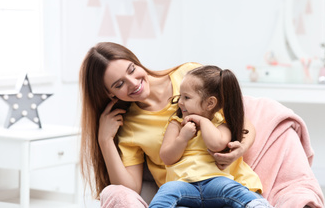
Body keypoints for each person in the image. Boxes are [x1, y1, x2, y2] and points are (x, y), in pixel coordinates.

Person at [79, 42, 256, 207]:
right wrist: (105, 140)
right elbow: (127, 191)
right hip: (183, 198)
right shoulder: (129, 124)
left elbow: (240, 122)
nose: (133, 83)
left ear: (137, 62)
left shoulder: (188, 76)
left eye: (132, 70)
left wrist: (242, 148)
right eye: (119, 84)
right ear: (110, 94)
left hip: (231, 186)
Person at [149, 65, 272, 208]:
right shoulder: (176, 124)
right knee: (166, 190)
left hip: (215, 182)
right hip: (183, 185)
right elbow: (166, 157)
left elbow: (217, 144)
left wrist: (203, 121)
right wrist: (182, 138)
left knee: (232, 188)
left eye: (187, 97)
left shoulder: (221, 124)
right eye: (180, 96)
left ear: (210, 103)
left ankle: (256, 204)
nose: (180, 102)